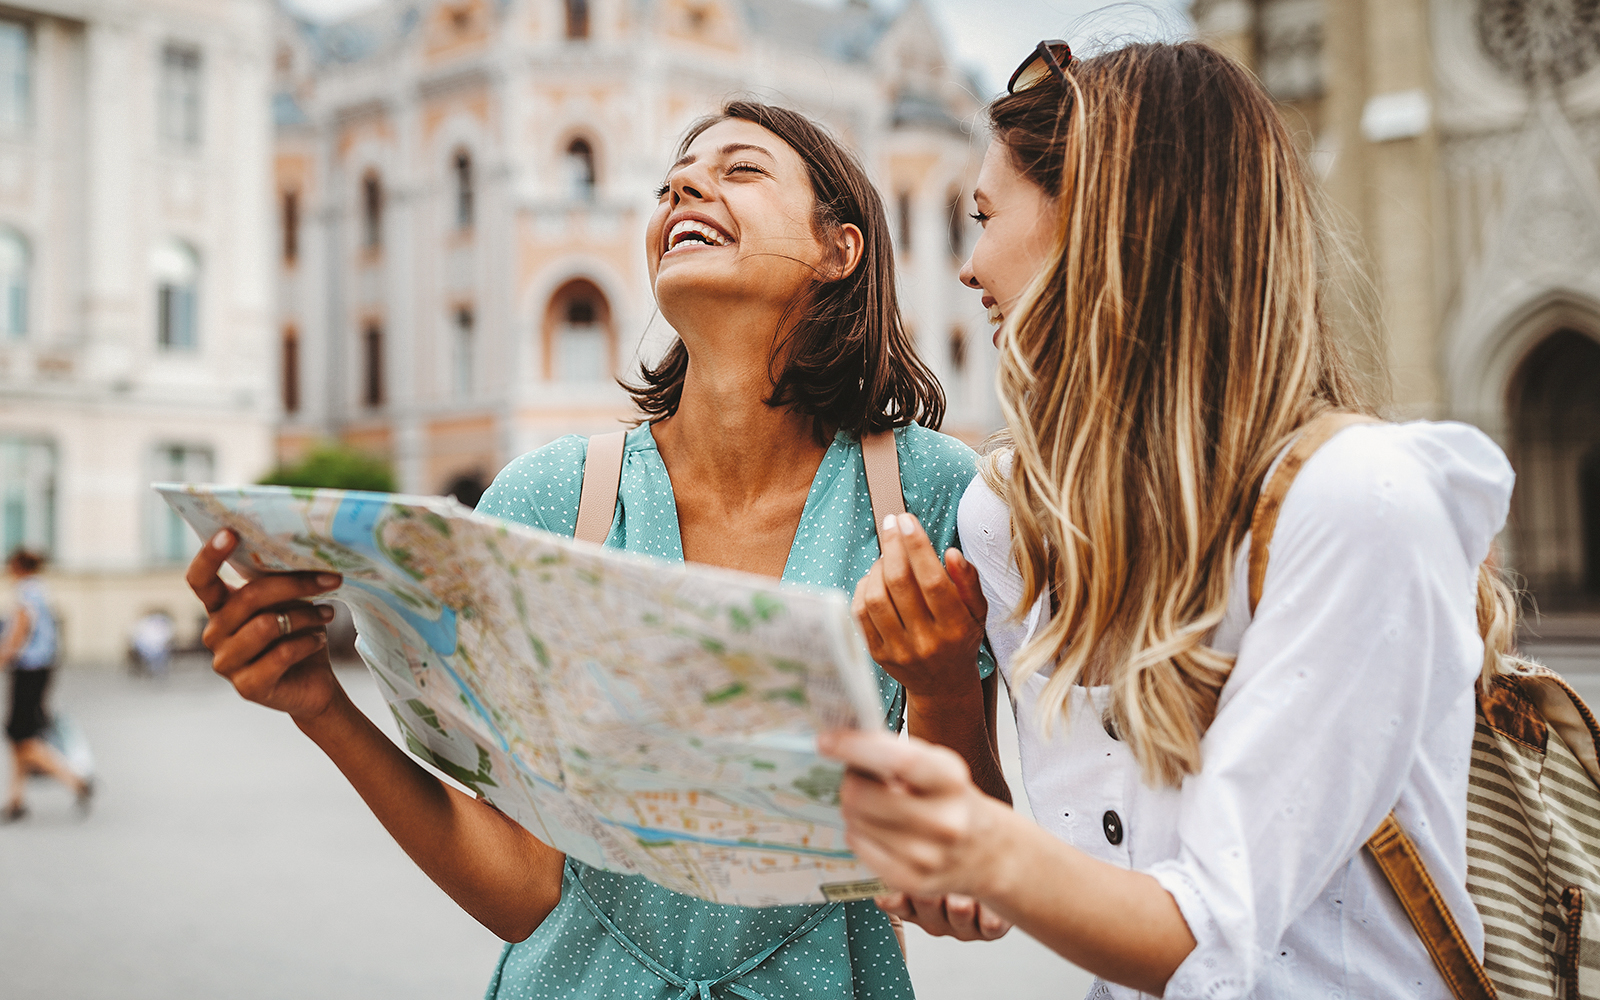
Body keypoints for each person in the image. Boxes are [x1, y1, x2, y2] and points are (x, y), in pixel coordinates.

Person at [187, 99, 1008, 999]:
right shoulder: (548, 499)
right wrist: (321, 708)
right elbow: (525, 889)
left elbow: (964, 874)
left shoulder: (930, 493)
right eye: (672, 182)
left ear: (839, 249)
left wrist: (937, 691)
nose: (684, 186)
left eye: (740, 169)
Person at [823, 41, 1518, 999]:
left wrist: (971, 841)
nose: (969, 268)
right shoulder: (1007, 514)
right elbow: (987, 902)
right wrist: (940, 688)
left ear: (1108, 224)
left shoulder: (1358, 498)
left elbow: (1211, 936)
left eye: (985, 217)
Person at [4, 548, 92, 822]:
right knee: (19, 735)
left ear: (18, 566)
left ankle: (76, 780)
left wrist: (3, 656)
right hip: (42, 668)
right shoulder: (42, 589)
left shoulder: (25, 592)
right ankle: (16, 800)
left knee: (23, 736)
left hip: (28, 669)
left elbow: (20, 631)